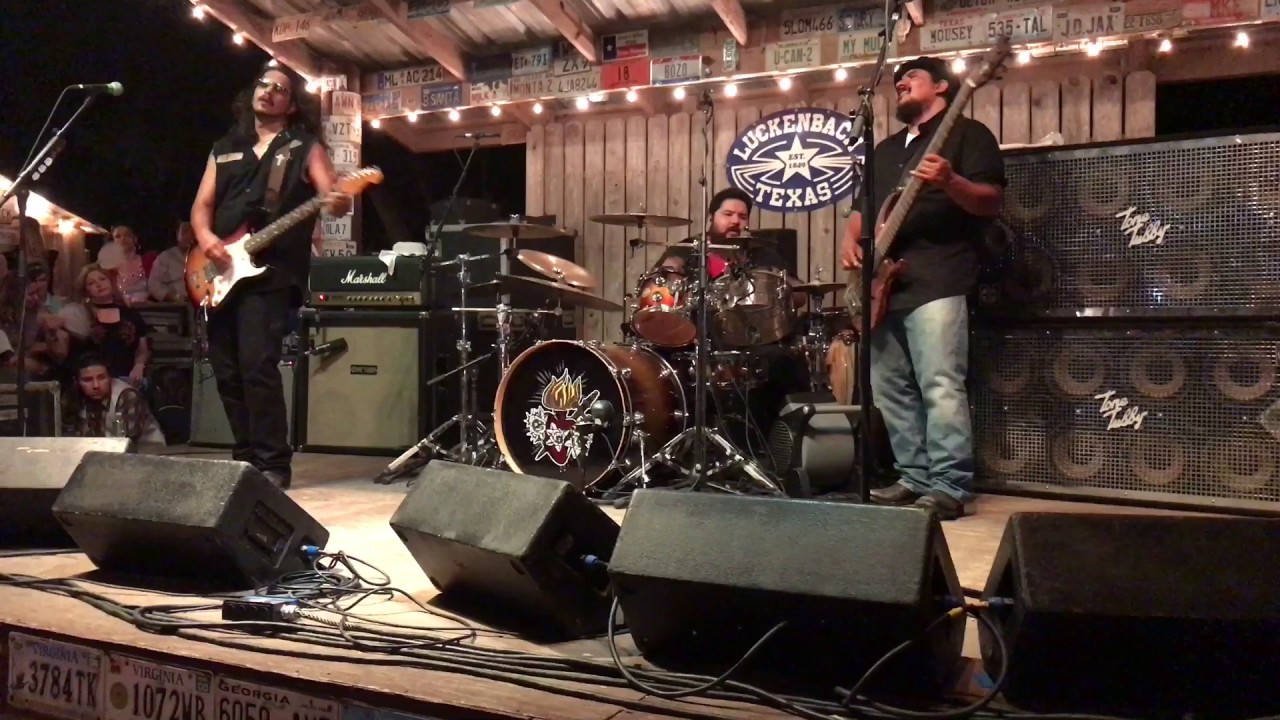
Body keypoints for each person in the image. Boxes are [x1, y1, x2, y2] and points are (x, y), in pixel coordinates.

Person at [840, 57, 1006, 520]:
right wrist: (851, 242)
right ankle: (913, 477)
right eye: (897, 80)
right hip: (882, 286)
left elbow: (991, 201)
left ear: (943, 86)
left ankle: (950, 485)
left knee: (940, 384)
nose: (900, 82)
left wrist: (950, 180)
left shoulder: (968, 135)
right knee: (889, 388)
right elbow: (861, 212)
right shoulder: (885, 149)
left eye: (911, 76)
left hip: (938, 276)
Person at [190, 62, 351, 489]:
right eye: (263, 84)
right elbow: (201, 206)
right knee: (226, 370)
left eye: (280, 89)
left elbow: (332, 195)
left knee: (257, 365)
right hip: (221, 272)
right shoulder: (226, 147)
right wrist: (207, 239)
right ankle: (244, 457)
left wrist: (338, 200)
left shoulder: (303, 146)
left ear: (291, 105)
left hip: (272, 273)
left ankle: (273, 463)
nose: (269, 91)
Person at [651, 188, 810, 446]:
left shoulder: (759, 253)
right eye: (728, 214)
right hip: (695, 340)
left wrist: (774, 281)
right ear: (711, 217)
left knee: (787, 361)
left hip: (751, 342)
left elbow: (800, 294)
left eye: (742, 216)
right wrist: (671, 270)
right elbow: (659, 287)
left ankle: (778, 444)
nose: (735, 221)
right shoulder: (687, 250)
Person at [62, 352, 166, 444]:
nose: (96, 385)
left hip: (146, 451)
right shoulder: (72, 397)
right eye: (87, 380)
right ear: (77, 381)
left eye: (102, 378)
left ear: (110, 378)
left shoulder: (127, 395)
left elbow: (128, 441)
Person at [149, 222, 195, 302]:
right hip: (176, 305)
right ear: (177, 234)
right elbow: (153, 284)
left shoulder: (203, 257)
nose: (188, 235)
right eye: (184, 231)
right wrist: (174, 297)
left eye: (191, 232)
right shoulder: (165, 257)